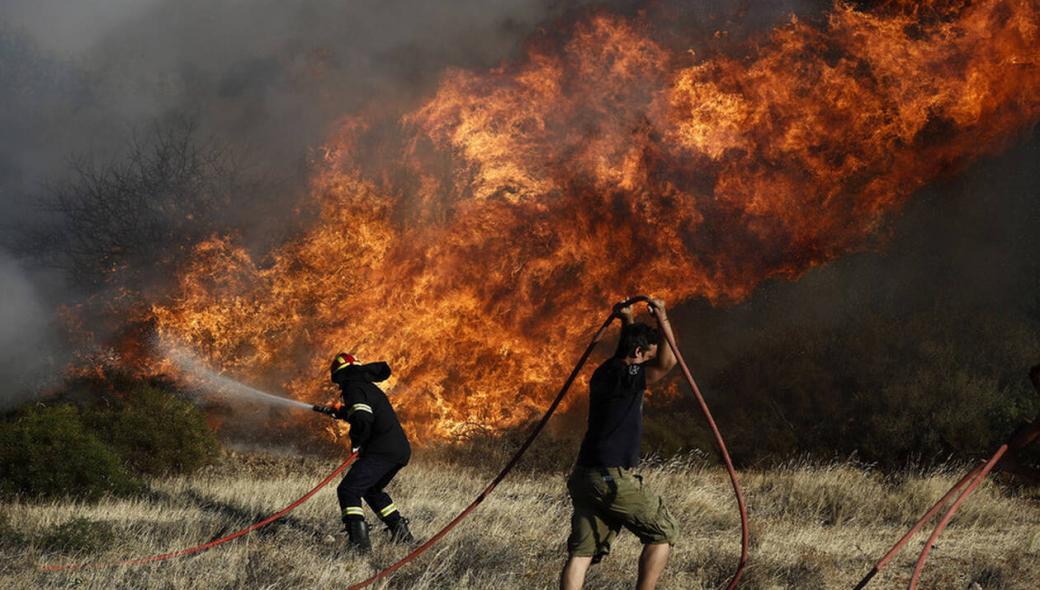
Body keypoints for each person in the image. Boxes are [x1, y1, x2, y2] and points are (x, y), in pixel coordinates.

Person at [560, 298, 680, 590]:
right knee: (663, 532)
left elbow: (628, 352)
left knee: (582, 552)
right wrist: (662, 317)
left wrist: (627, 319)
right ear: (638, 353)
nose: (649, 362)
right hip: (611, 476)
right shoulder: (630, 376)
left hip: (585, 475)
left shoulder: (605, 371)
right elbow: (669, 361)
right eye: (646, 355)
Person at [329, 352, 413, 552]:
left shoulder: (353, 386)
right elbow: (363, 413)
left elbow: (362, 418)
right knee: (371, 490)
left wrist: (358, 442)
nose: (339, 384)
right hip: (398, 450)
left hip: (381, 450)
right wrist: (342, 412)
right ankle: (402, 534)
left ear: (341, 374)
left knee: (348, 490)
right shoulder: (366, 386)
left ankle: (360, 546)